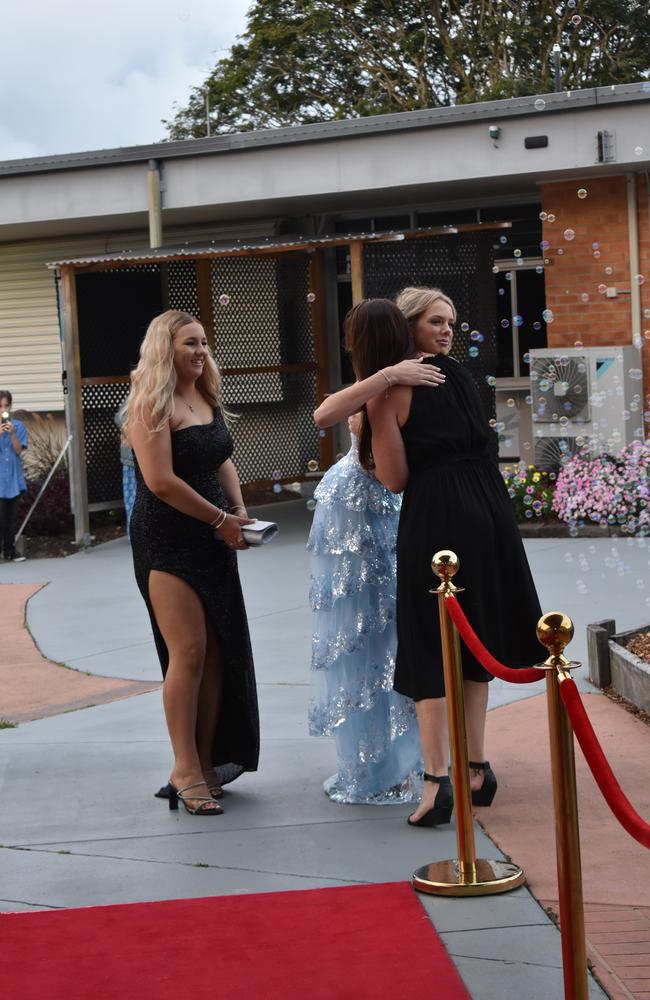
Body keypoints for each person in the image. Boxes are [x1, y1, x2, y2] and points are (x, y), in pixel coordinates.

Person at [364, 289, 543, 827]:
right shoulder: (461, 378)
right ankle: (477, 768)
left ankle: (437, 781)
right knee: (477, 640)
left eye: (451, 322)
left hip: (437, 520)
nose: (446, 331)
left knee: (429, 646)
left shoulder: (391, 389)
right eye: (436, 322)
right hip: (490, 515)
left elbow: (395, 479)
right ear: (410, 325)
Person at [123, 310, 259, 816]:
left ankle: (204, 761)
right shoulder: (149, 403)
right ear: (165, 349)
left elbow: (221, 454)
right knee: (190, 652)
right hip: (168, 539)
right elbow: (159, 481)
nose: (200, 352)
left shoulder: (204, 394)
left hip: (213, 532)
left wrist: (239, 510)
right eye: (189, 344)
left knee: (219, 651)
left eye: (204, 343)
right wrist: (221, 519)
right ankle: (183, 768)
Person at [309, 320, 446, 804]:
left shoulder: (405, 384)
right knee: (361, 640)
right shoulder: (381, 382)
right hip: (353, 523)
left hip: (383, 514)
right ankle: (374, 758)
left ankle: (404, 760)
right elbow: (324, 414)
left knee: (390, 636)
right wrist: (384, 375)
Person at [0, 391, 28, 562]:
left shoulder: (18, 426)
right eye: (0, 406)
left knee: (10, 519)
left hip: (13, 480)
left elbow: (18, 450)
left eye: (6, 406)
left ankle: (10, 551)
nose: (3, 409)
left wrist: (11, 434)